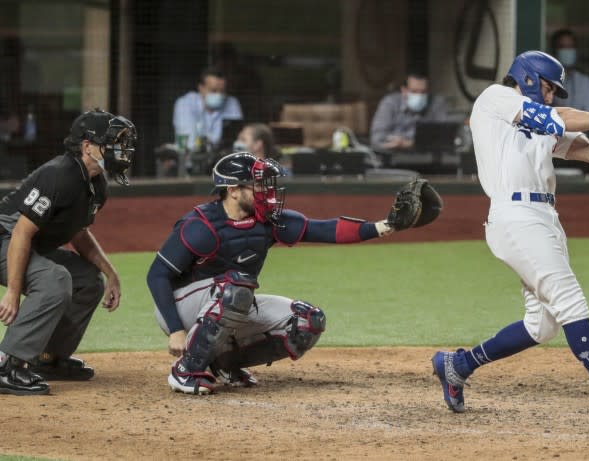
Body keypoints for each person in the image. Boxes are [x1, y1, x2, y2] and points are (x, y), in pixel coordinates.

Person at [431, 51, 589, 425]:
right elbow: (556, 118)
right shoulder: (496, 99)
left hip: (544, 217)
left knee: (542, 325)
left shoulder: (545, 126)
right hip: (515, 216)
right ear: (526, 78)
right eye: (547, 88)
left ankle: (458, 365)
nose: (549, 96)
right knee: (570, 301)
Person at [146, 152, 404, 395]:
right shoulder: (200, 226)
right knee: (236, 287)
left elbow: (327, 229)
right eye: (258, 186)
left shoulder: (268, 222)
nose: (267, 192)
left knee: (306, 321)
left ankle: (223, 362)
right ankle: (187, 369)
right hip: (180, 307)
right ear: (233, 191)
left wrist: (386, 226)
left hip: (229, 298)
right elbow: (157, 275)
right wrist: (176, 329)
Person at [0, 108, 138, 396]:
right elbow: (21, 233)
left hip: (25, 245)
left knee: (87, 281)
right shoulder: (59, 174)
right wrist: (13, 291)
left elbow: (79, 232)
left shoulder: (96, 184)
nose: (120, 150)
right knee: (55, 279)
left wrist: (110, 273)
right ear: (87, 146)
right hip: (7, 240)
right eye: (111, 142)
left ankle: (48, 358)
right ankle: (8, 364)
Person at [369, 73, 451, 150]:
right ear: (404, 90)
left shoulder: (438, 103)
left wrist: (409, 144)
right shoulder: (390, 103)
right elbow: (376, 138)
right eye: (414, 91)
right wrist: (393, 143)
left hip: (428, 157)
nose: (419, 96)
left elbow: (445, 137)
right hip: (396, 155)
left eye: (423, 92)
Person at [173, 66, 243, 154]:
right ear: (201, 88)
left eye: (222, 91)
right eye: (213, 91)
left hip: (221, 162)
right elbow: (189, 143)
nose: (219, 95)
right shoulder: (185, 104)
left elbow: (234, 142)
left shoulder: (232, 103)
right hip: (191, 161)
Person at [549, 29, 589, 113]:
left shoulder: (585, 82)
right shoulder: (547, 80)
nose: (567, 51)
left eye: (570, 47)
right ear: (554, 51)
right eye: (562, 47)